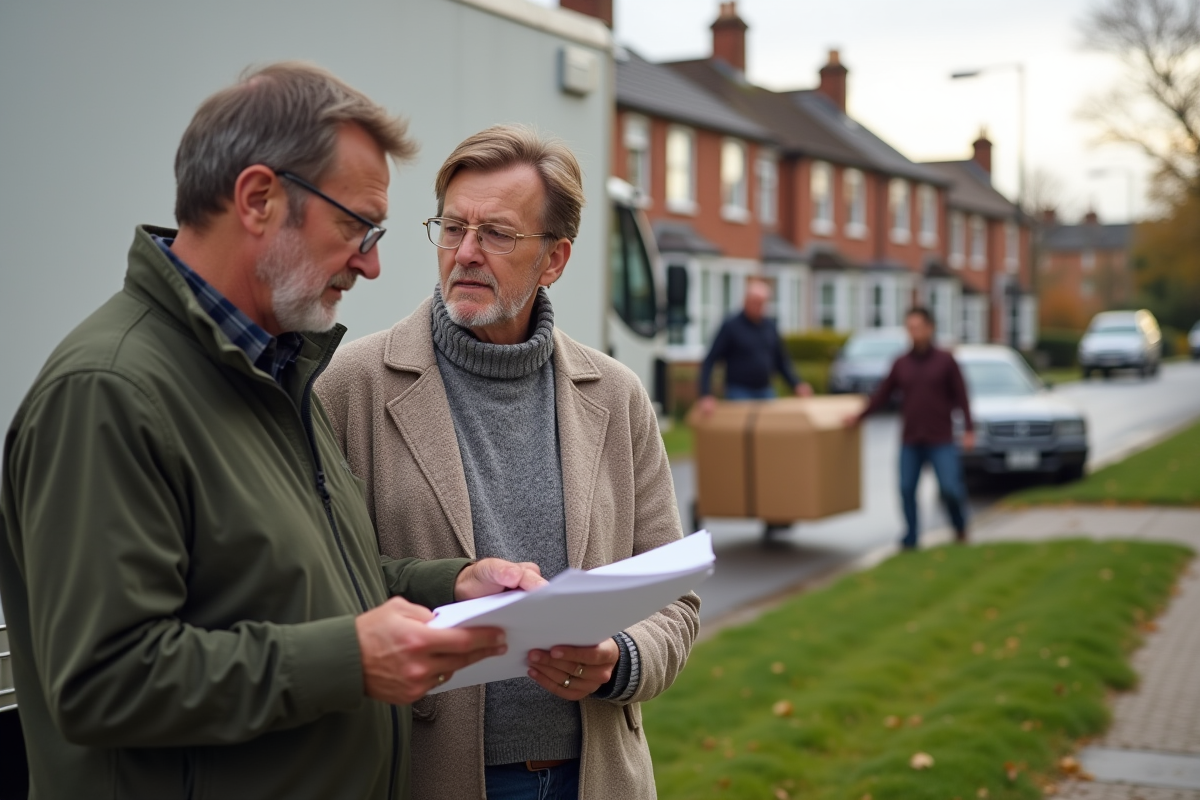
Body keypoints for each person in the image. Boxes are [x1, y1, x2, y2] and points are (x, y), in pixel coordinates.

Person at [0, 63, 546, 800]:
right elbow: (103, 681)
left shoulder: (274, 369)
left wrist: (450, 582)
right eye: (356, 225)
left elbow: (309, 583)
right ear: (258, 199)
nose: (374, 263)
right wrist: (348, 661)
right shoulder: (109, 392)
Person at [316, 124, 699, 800]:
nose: (465, 253)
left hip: (595, 776)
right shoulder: (350, 386)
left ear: (554, 260)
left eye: (496, 234)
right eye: (452, 227)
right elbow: (313, 585)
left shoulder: (616, 395)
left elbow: (675, 597)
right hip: (420, 773)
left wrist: (620, 659)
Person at [845, 306, 974, 549]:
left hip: (941, 438)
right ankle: (911, 537)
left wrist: (969, 429)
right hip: (911, 439)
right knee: (906, 489)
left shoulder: (946, 361)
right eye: (909, 328)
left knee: (949, 488)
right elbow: (881, 395)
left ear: (930, 328)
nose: (913, 332)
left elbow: (962, 397)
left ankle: (960, 526)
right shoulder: (901, 363)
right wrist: (859, 417)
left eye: (917, 327)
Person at [697, 278, 812, 414]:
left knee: (769, 429)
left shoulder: (770, 326)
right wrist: (706, 394)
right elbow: (710, 359)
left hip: (765, 390)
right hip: (738, 392)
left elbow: (781, 360)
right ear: (745, 301)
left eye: (762, 303)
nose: (758, 307)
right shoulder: (731, 326)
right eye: (755, 303)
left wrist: (796, 384)